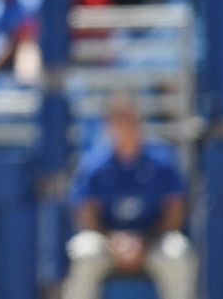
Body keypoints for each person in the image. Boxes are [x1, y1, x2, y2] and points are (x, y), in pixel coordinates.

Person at [63, 95, 197, 299]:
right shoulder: (94, 165)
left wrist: (144, 241)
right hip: (108, 242)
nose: (126, 127)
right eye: (119, 121)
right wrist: (114, 241)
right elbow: (86, 216)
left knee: (177, 253)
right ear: (108, 126)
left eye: (131, 121)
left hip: (153, 240)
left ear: (140, 123)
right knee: (84, 251)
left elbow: (175, 213)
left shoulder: (162, 161)